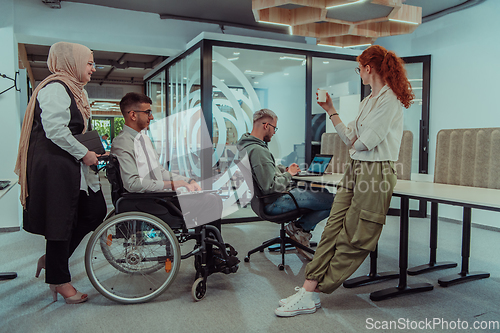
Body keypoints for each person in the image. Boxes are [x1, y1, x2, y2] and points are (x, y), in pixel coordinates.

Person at [274, 45, 414, 317]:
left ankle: (313, 289)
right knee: (333, 228)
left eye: (358, 68)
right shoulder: (368, 101)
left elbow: (362, 141)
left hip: (376, 171)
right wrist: (331, 109)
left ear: (368, 68)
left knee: (356, 235)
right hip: (356, 168)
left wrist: (352, 140)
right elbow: (351, 138)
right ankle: (309, 290)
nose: (359, 73)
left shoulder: (390, 99)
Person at [14, 42, 107, 304]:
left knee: (94, 211)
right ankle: (59, 280)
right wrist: (84, 153)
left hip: (69, 163)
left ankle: (54, 261)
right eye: (89, 62)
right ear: (72, 62)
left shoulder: (76, 90)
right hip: (55, 164)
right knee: (60, 221)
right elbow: (55, 129)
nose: (93, 68)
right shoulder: (56, 88)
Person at [110, 92, 222, 229]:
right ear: (133, 115)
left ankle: (209, 245)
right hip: (146, 201)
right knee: (211, 201)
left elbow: (160, 171)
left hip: (158, 197)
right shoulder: (123, 143)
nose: (151, 117)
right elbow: (132, 184)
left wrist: (186, 181)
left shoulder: (143, 139)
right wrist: (173, 185)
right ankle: (209, 246)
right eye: (147, 112)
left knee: (214, 198)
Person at [236, 109, 334, 260]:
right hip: (275, 202)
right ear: (266, 125)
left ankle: (299, 229)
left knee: (318, 194)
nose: (274, 132)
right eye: (274, 128)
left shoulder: (247, 146)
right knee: (333, 200)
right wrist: (289, 174)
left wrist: (285, 170)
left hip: (264, 201)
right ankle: (300, 229)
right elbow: (270, 187)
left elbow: (267, 171)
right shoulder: (258, 151)